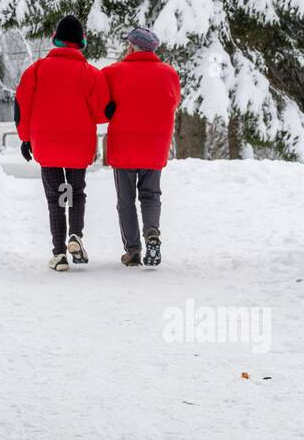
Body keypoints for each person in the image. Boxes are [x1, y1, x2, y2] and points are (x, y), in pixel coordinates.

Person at [14, 15, 110, 270]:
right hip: (78, 145)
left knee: (56, 196)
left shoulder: (36, 70)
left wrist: (25, 139)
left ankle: (58, 253)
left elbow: (23, 106)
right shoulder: (91, 74)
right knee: (76, 193)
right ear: (82, 42)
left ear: (55, 39)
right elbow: (102, 112)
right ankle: (75, 234)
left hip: (47, 144)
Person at [102, 27, 181, 267]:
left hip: (124, 144)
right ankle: (152, 233)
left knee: (125, 200)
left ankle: (133, 250)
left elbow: (102, 105)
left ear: (132, 47)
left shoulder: (113, 72)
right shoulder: (169, 73)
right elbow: (174, 101)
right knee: (151, 194)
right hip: (154, 145)